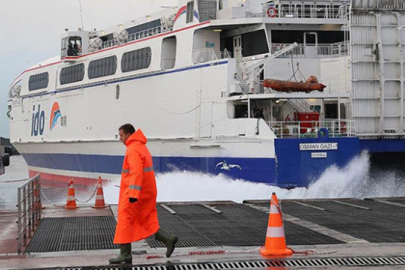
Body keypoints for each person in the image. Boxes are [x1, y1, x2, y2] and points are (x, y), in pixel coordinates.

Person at [109, 124, 178, 264]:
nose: (120, 138)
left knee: (125, 218)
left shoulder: (133, 149)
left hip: (135, 192)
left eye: (121, 135)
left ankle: (125, 254)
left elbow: (136, 172)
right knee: (145, 219)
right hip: (146, 191)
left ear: (128, 135)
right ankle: (168, 239)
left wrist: (133, 194)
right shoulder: (141, 147)